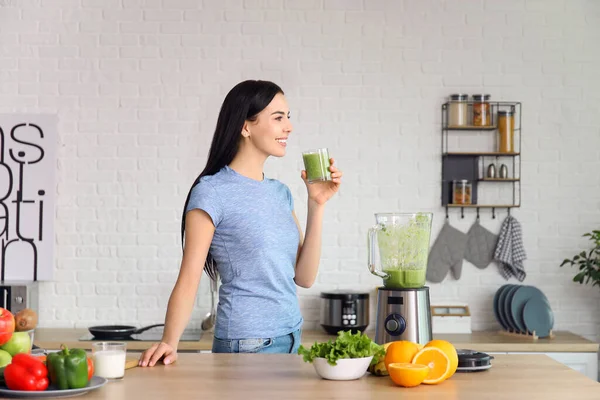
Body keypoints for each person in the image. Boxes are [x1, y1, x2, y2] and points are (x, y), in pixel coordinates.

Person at [138, 80, 343, 367]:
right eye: (278, 117)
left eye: (288, 116)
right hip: (248, 344)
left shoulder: (279, 192)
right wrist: (169, 342)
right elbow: (189, 277)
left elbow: (304, 277)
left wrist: (316, 205)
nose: (289, 127)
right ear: (246, 126)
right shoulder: (212, 192)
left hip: (291, 336)